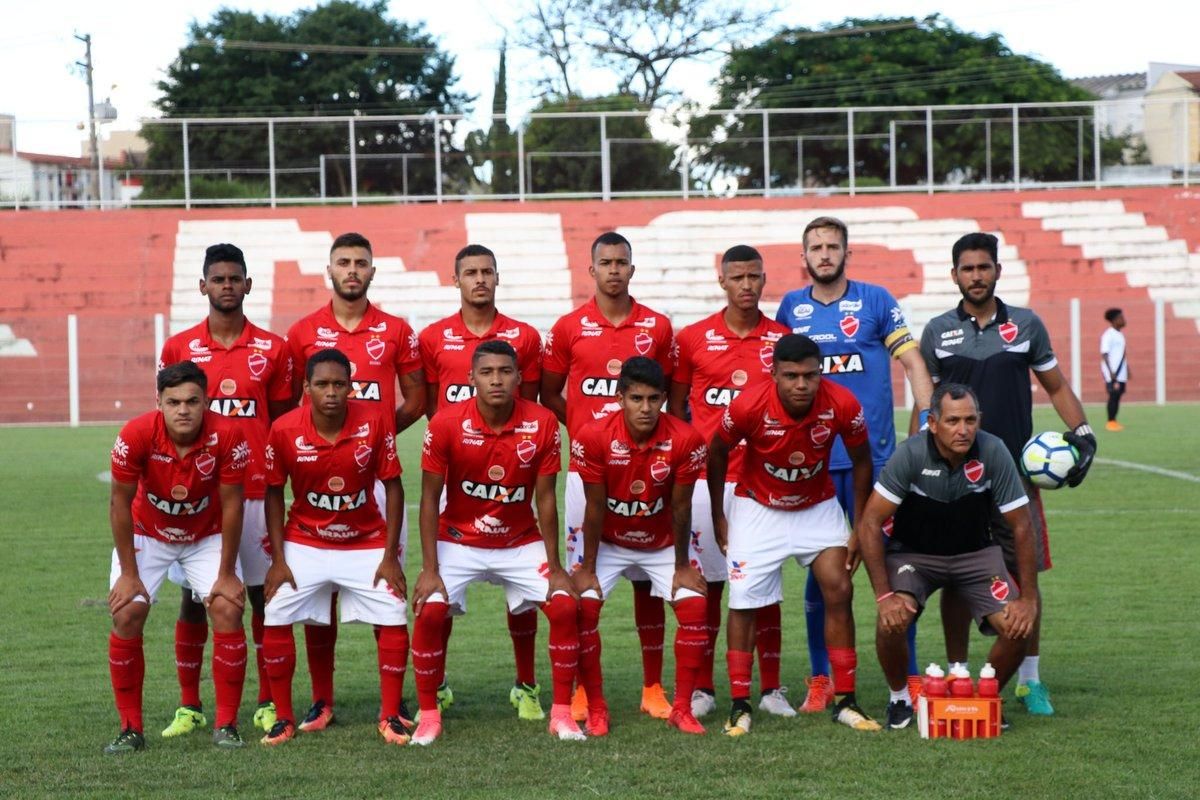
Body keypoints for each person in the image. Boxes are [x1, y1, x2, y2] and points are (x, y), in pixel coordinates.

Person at [919, 231, 1097, 716]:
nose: (976, 276)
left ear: (997, 270)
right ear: (954, 274)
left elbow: (1056, 386)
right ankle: (958, 670)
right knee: (956, 576)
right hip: (955, 477)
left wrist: (1082, 432)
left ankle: (1029, 681)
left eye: (984, 267)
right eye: (967, 268)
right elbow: (928, 408)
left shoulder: (1026, 325)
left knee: (1024, 575)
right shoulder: (936, 332)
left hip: (1013, 474)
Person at [774, 216, 935, 712]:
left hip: (877, 462)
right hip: (815, 466)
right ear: (804, 257)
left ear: (847, 253)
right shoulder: (790, 307)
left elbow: (914, 364)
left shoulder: (876, 302)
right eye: (816, 247)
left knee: (891, 567)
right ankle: (821, 678)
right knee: (822, 569)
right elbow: (776, 380)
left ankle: (908, 676)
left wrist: (924, 428)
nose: (825, 254)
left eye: (832, 246)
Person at [284, 231, 425, 731]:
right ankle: (322, 700)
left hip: (374, 487)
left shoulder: (395, 330)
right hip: (317, 484)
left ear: (372, 271)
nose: (351, 270)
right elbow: (288, 406)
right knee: (319, 599)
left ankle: (394, 702)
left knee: (385, 591)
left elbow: (416, 397)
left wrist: (374, 437)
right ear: (329, 270)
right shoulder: (301, 333)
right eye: (342, 262)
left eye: (360, 262)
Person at [410, 340, 584, 745]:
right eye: (486, 372)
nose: (496, 380)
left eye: (505, 372)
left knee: (563, 605)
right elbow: (430, 498)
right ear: (470, 378)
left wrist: (556, 567)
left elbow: (545, 499)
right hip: (457, 539)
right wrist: (430, 569)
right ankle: (429, 714)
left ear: (519, 377)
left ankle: (560, 713)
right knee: (430, 610)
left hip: (519, 540)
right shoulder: (445, 423)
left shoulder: (541, 423)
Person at [708, 334, 880, 736]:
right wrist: (719, 514)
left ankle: (846, 701)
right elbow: (716, 452)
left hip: (815, 507)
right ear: (774, 374)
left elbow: (862, 462)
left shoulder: (842, 403)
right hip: (756, 507)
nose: (801, 385)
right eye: (791, 376)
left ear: (820, 373)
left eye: (810, 375)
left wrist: (859, 524)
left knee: (839, 588)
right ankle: (739, 706)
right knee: (744, 601)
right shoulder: (749, 405)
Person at [157, 243, 293, 739]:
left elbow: (279, 422)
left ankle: (262, 701)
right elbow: (169, 419)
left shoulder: (274, 349)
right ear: (203, 286)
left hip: (254, 491)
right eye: (218, 279)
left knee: (258, 596)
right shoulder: (179, 347)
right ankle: (190, 705)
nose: (227, 286)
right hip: (195, 497)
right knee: (195, 600)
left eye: (235, 278)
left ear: (248, 285)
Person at [541, 231, 675, 721]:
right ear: (591, 269)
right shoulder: (568, 327)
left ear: (632, 270)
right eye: (606, 262)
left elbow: (669, 393)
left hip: (646, 468)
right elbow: (551, 391)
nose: (614, 270)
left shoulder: (657, 327)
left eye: (622, 262)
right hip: (589, 471)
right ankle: (578, 689)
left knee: (647, 582)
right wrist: (581, 428)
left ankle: (653, 687)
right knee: (583, 578)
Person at [858, 383, 1038, 729]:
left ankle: (985, 699)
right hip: (915, 556)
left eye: (971, 420)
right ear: (933, 423)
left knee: (1018, 628)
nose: (964, 429)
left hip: (975, 556)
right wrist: (883, 596)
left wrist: (1028, 597)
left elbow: (1022, 527)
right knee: (892, 621)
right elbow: (869, 522)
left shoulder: (994, 451)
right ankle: (898, 699)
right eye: (954, 421)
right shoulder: (910, 454)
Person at [417, 243, 545, 720]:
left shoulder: (525, 337)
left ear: (497, 277)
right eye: (469, 272)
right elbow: (435, 410)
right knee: (442, 595)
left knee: (523, 582)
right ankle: (440, 682)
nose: (479, 280)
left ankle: (526, 684)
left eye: (487, 271)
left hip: (511, 468)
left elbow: (527, 404)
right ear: (456, 280)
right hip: (455, 470)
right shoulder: (433, 338)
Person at [258, 349, 409, 746]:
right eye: (321, 384)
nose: (331, 392)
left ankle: (390, 715)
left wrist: (390, 556)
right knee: (275, 611)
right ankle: (285, 717)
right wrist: (277, 560)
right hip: (305, 540)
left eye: (339, 384)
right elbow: (273, 494)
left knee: (394, 609)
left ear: (351, 387)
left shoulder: (375, 421)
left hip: (365, 541)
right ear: (306, 388)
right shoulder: (285, 429)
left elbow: (393, 487)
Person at [669, 244, 791, 720]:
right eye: (737, 277)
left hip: (760, 485)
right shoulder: (694, 339)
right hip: (705, 482)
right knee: (709, 585)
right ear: (722, 281)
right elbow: (677, 409)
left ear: (764, 279)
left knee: (765, 585)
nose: (746, 285)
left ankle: (773, 689)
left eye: (754, 277)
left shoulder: (781, 339)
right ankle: (702, 689)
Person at [104, 361, 249, 754]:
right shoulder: (135, 434)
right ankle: (130, 728)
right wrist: (130, 575)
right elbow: (118, 504)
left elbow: (234, 505)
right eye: (173, 402)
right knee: (127, 612)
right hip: (147, 533)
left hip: (207, 534)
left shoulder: (229, 434)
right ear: (159, 403)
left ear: (206, 402)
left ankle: (227, 724)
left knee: (227, 608)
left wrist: (226, 574)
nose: (183, 409)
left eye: (191, 401)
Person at [573, 357, 711, 736]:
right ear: (620, 398)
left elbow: (682, 508)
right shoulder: (593, 435)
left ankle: (682, 707)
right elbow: (595, 507)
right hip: (609, 541)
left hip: (664, 541)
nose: (646, 408)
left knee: (696, 605)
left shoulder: (686, 439)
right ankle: (596, 706)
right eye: (636, 398)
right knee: (582, 607)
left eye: (654, 399)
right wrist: (587, 566)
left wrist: (682, 566)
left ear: (665, 398)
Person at [1100, 308, 1128, 431]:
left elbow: (1121, 353)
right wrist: (1111, 372)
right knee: (1113, 395)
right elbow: (1105, 353)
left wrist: (1128, 370)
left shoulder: (1120, 334)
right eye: (1121, 318)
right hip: (1112, 373)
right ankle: (1110, 421)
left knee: (1118, 396)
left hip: (1121, 372)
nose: (1124, 320)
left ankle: (1114, 420)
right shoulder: (1108, 335)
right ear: (1115, 320)